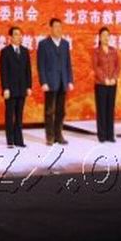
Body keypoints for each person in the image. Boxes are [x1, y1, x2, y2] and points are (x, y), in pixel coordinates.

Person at [37, 18, 74, 146]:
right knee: (49, 111)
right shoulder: (43, 44)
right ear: (51, 28)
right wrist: (43, 82)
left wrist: (70, 80)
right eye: (56, 27)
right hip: (50, 83)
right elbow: (41, 65)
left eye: (60, 27)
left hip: (63, 82)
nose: (58, 29)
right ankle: (50, 136)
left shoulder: (65, 44)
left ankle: (59, 135)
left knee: (61, 111)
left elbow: (68, 63)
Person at [0, 26, 32, 148]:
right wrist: (5, 88)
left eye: (20, 34)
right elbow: (3, 71)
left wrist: (29, 86)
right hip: (10, 89)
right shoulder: (5, 52)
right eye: (16, 34)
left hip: (22, 88)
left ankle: (19, 140)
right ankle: (10, 140)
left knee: (19, 115)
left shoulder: (24, 51)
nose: (19, 37)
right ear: (10, 37)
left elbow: (28, 70)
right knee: (10, 115)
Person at [92, 27, 120, 143]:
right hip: (101, 84)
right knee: (102, 110)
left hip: (112, 84)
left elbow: (118, 66)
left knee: (110, 109)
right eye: (103, 35)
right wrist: (105, 79)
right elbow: (96, 67)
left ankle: (110, 135)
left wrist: (114, 78)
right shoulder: (96, 51)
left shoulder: (113, 51)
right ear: (99, 37)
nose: (106, 38)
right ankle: (102, 135)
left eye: (107, 35)